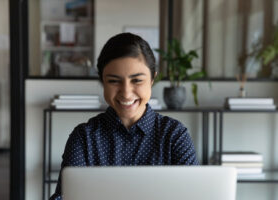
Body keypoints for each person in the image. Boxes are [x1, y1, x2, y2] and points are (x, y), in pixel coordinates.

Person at [49, 32, 199, 200]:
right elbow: (63, 197)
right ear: (102, 81)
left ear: (152, 79)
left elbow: (193, 195)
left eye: (137, 81)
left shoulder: (175, 135)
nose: (126, 94)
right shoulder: (84, 137)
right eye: (114, 81)